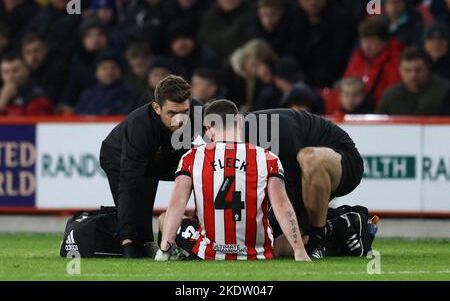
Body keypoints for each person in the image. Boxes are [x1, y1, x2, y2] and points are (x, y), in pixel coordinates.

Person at [156, 99, 310, 261]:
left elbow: (177, 202)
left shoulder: (192, 157)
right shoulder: (267, 158)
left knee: (163, 219)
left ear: (208, 129)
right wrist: (299, 251)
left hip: (210, 252)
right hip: (256, 253)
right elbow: (281, 204)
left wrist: (165, 248)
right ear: (240, 122)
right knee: (280, 239)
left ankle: (175, 251)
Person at [99, 75, 203, 258]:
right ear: (156, 107)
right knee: (138, 206)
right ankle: (135, 243)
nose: (179, 120)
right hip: (118, 156)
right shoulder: (141, 127)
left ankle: (172, 239)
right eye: (171, 113)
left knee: (206, 171)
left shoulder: (199, 112)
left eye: (185, 112)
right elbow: (129, 186)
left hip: (165, 154)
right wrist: (128, 241)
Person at [245, 108, 365, 259]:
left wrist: (273, 228)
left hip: (342, 159)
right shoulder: (228, 140)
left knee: (309, 158)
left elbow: (292, 188)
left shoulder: (270, 130)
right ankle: (340, 226)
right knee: (274, 247)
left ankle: (318, 240)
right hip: (298, 180)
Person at [344, 16, 405, 104]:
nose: (367, 46)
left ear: (384, 42)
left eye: (372, 41)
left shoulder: (395, 61)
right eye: (364, 41)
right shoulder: (358, 57)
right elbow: (347, 83)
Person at [377, 47, 450, 115]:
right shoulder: (390, 96)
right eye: (407, 70)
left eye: (418, 70)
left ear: (428, 69)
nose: (413, 75)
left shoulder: (445, 92)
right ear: (400, 70)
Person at [75, 51, 139, 115]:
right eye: (104, 68)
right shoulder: (87, 95)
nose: (109, 72)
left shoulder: (129, 94)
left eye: (113, 67)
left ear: (121, 71)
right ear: (96, 72)